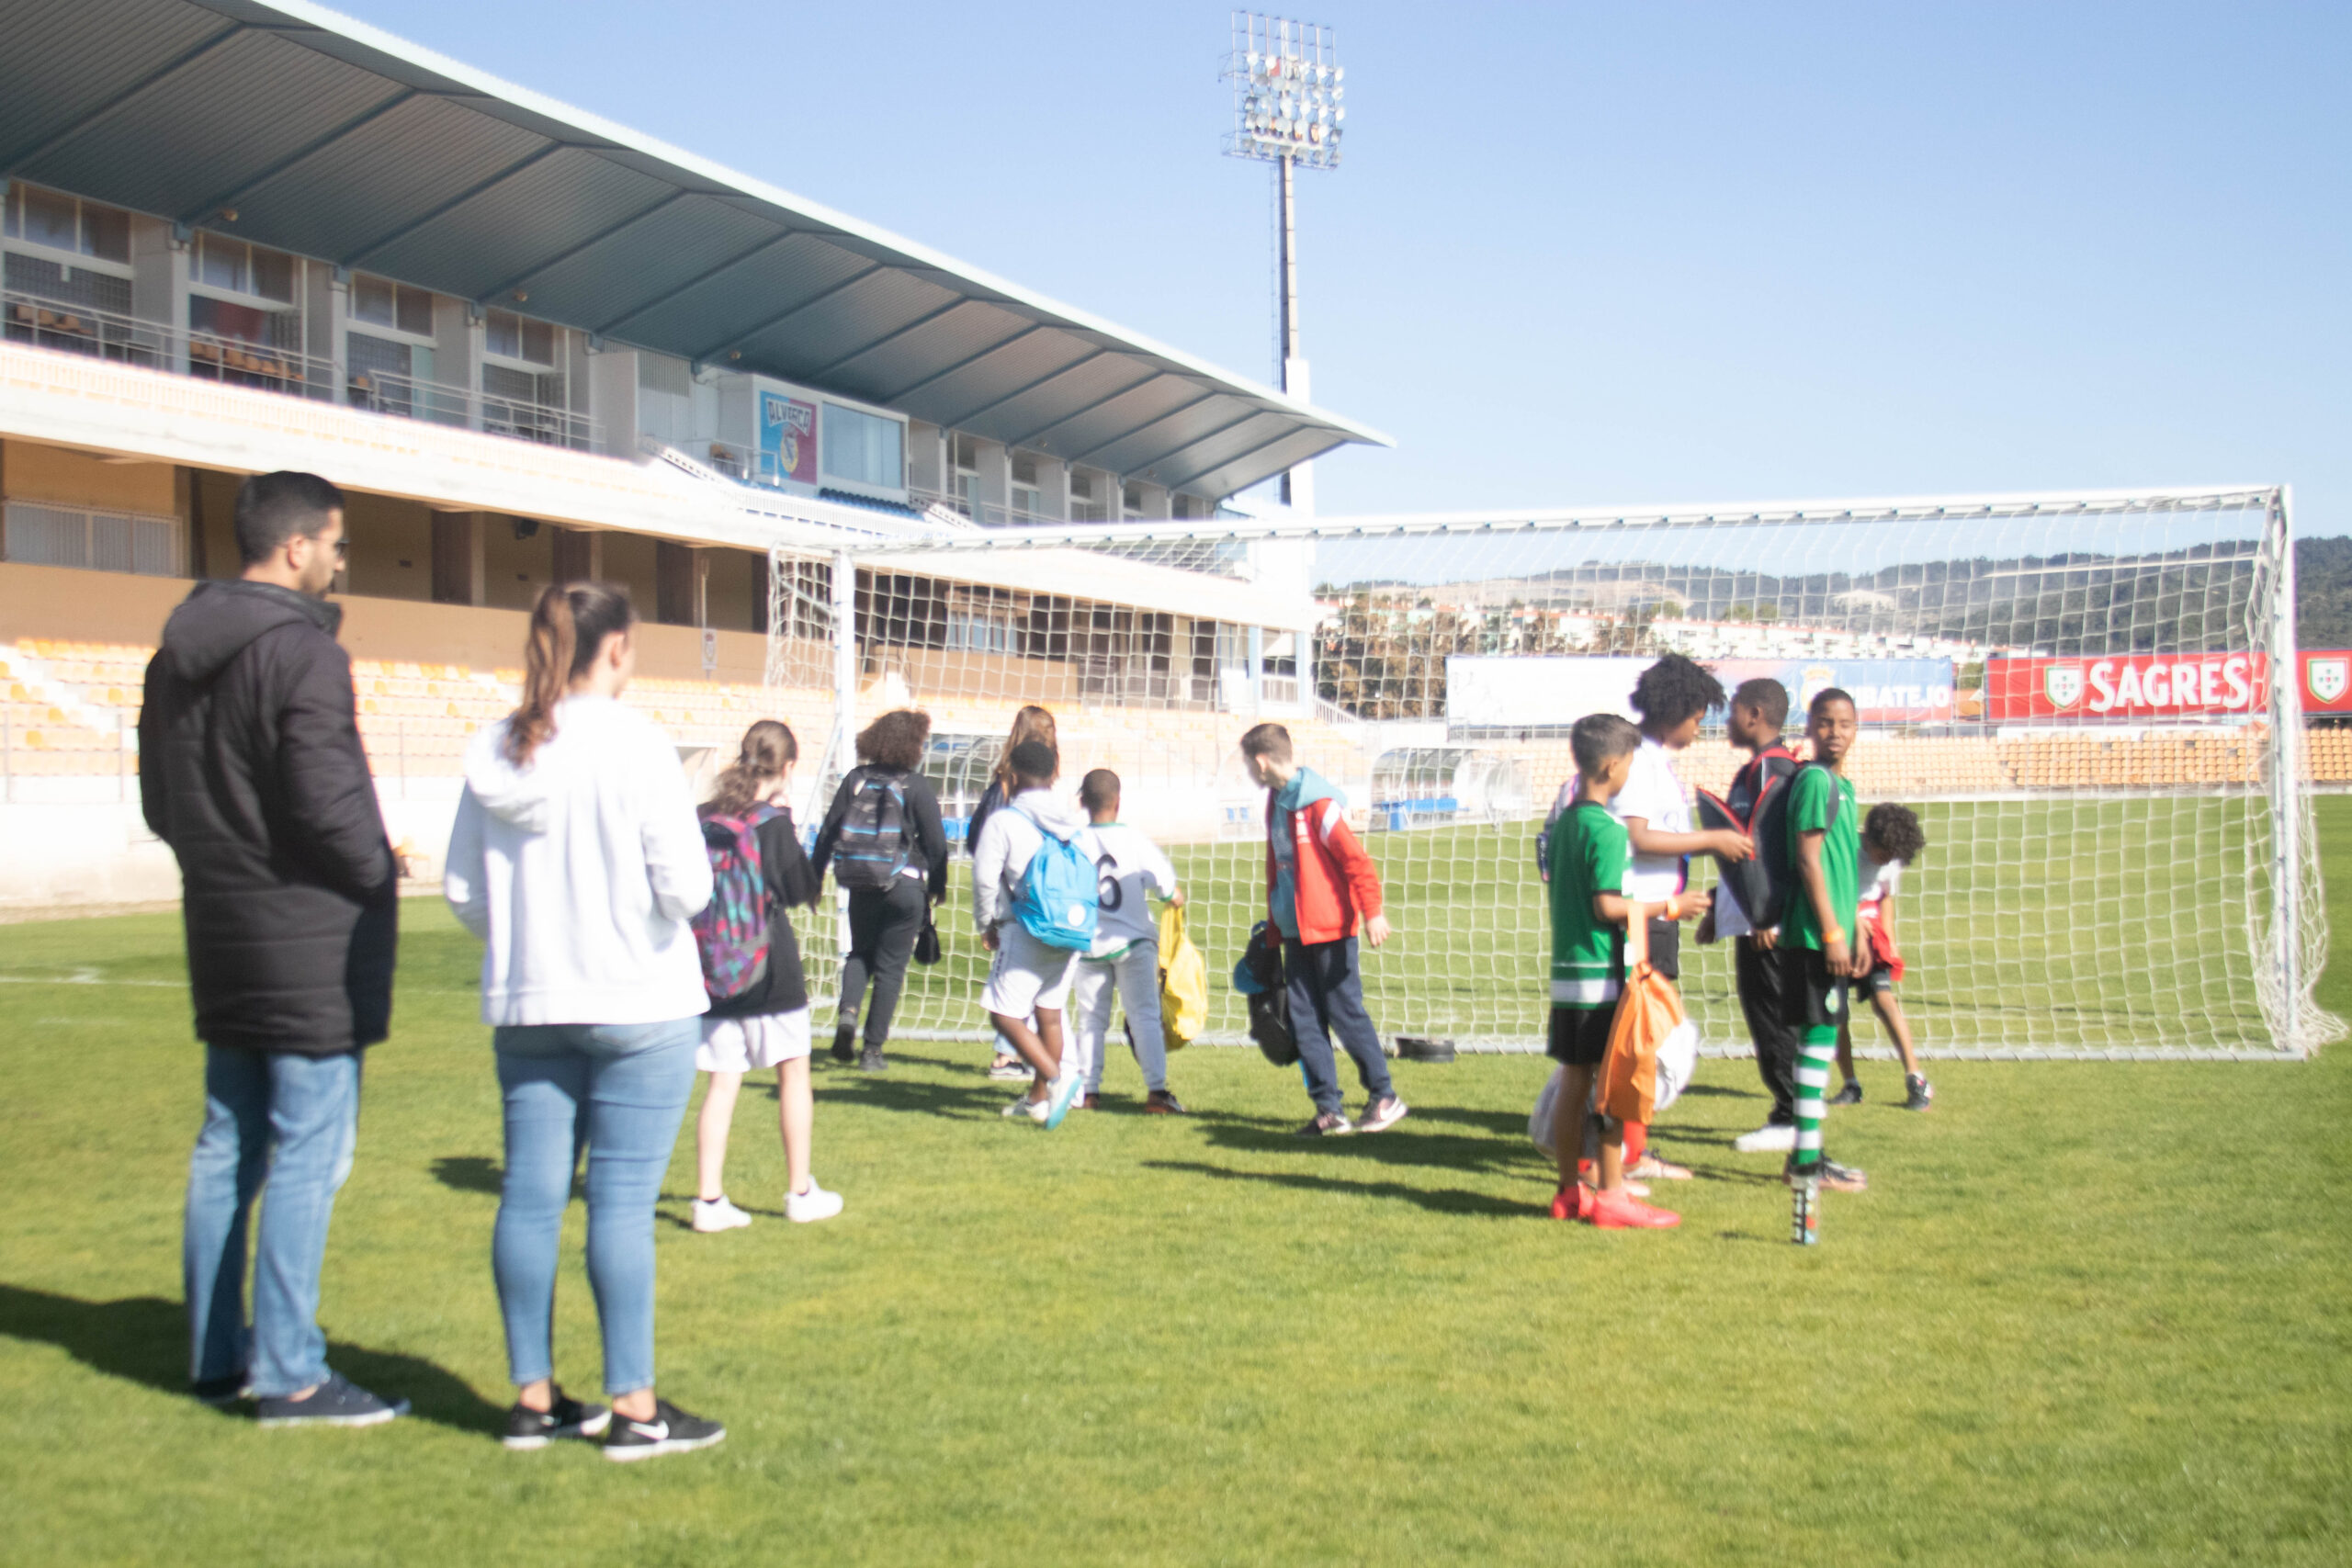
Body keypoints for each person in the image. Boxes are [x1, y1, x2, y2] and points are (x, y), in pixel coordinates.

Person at [141, 470, 405, 1427]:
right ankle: (290, 1370)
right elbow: (331, 805)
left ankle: (218, 1356)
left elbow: (161, 806)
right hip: (306, 944)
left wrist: (230, 868)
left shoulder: (170, 660)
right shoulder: (301, 654)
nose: (341, 561)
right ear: (296, 548)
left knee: (227, 1145)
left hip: (221, 930)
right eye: (336, 543)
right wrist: (381, 868)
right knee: (306, 1153)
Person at [445, 581, 725, 1461]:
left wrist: (534, 933)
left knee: (530, 1199)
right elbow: (687, 886)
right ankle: (634, 1405)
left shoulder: (500, 746)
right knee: (620, 1204)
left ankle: (533, 1398)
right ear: (613, 650)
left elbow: (461, 890)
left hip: (532, 1002)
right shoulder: (637, 745)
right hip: (639, 999)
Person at [1545, 714, 1702, 1228]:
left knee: (1574, 1086)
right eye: (1632, 764)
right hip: (1602, 975)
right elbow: (1608, 907)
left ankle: (1569, 1190)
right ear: (1613, 766)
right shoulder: (1607, 830)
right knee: (1614, 1088)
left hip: (1567, 975)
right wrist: (1671, 906)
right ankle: (1612, 1196)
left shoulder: (1566, 822)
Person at [689, 721, 842, 1233]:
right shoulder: (772, 823)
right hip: (768, 964)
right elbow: (800, 889)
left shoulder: (704, 817)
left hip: (714, 965)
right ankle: (800, 1190)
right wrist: (800, 836)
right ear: (788, 767)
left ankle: (708, 1199)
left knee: (721, 1085)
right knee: (794, 1074)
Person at [1611, 654, 1751, 1184]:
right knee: (1640, 1037)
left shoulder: (1651, 761)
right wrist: (1713, 840)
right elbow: (1638, 836)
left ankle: (1628, 1146)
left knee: (1644, 1035)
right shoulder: (1640, 763)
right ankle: (1621, 1151)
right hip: (1641, 918)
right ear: (1677, 709)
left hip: (1657, 916)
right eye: (1698, 713)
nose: (1702, 724)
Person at [1239, 722, 1408, 1137]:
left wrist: (1373, 912)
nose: (1247, 772)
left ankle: (1384, 1095)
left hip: (1331, 928)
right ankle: (1329, 1109)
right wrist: (1276, 921)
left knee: (1344, 1012)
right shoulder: (1276, 802)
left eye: (1247, 764)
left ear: (1261, 762)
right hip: (1297, 931)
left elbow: (1357, 862)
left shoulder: (1319, 806)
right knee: (1304, 1018)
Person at [1698, 678, 1808, 1155]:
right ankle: (1790, 1111)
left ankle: (1791, 1116)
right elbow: (1742, 853)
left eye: (1735, 709)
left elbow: (1778, 853)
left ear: (1756, 714)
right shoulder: (1752, 772)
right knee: (1764, 1016)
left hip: (1770, 926)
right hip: (1752, 921)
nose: (1727, 719)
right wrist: (1722, 910)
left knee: (1775, 1020)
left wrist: (1773, 918)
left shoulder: (1775, 772)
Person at [810, 709, 948, 1072]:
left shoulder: (855, 780)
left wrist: (814, 879)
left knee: (860, 954)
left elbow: (827, 833)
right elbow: (936, 845)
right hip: (906, 886)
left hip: (862, 882)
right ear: (912, 745)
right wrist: (938, 887)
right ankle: (872, 1051)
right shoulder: (915, 786)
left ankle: (847, 1016)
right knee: (890, 969)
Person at [971, 739, 1091, 1126]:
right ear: (1053, 775)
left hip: (1025, 927)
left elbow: (985, 881)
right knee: (1049, 1014)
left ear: (1013, 774)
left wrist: (985, 923)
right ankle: (1038, 1099)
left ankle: (1059, 1078)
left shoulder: (1005, 821)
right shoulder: (1074, 823)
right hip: (1070, 928)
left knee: (1003, 1015)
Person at [1780, 687, 1870, 1194]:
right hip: (1814, 936)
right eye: (1826, 723)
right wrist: (1834, 933)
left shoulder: (1842, 785)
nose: (1836, 732)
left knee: (1820, 1039)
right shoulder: (1815, 781)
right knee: (1817, 1042)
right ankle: (1806, 1163)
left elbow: (1840, 870)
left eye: (1845, 723)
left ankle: (1805, 1155)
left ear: (1857, 728)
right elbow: (1809, 860)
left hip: (1832, 934)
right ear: (1810, 727)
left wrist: (1856, 931)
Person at [1066, 768, 1189, 1113]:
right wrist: (1174, 896)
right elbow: (1166, 887)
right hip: (1133, 941)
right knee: (1145, 1016)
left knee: (1090, 1020)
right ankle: (1157, 1093)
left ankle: (1088, 1092)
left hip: (1088, 943)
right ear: (1118, 802)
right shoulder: (1134, 841)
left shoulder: (1074, 841)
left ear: (1082, 803)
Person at [969, 705, 1057, 1080]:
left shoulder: (1008, 784)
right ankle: (1012, 1058)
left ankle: (1038, 1072)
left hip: (1028, 899)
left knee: (1029, 986)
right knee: (1020, 986)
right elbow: (982, 844)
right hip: (1023, 900)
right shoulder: (1012, 788)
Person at [1831, 803, 1935, 1112]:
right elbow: (1830, 889)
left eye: (1892, 857)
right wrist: (1850, 919)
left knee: (1884, 1000)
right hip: (1839, 930)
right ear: (1870, 840)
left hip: (1872, 936)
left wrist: (1889, 941)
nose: (1886, 861)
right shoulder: (1844, 848)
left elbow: (1885, 896)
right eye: (1883, 854)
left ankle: (1915, 1078)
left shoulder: (1892, 861)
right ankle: (1850, 1084)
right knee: (1837, 1011)